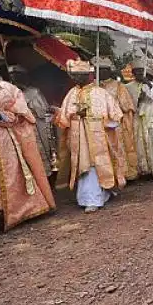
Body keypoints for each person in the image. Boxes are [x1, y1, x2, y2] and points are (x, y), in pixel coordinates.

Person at [55, 59, 125, 213]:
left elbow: (115, 116)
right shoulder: (71, 93)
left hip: (97, 137)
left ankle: (95, 198)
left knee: (95, 166)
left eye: (80, 75)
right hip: (78, 137)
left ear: (89, 75)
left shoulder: (100, 92)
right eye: (75, 76)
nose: (77, 79)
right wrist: (74, 115)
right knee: (82, 166)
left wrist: (94, 117)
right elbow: (63, 118)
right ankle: (87, 197)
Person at [0, 80, 56, 230]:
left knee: (11, 176)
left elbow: (22, 115)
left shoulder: (4, 88)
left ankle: (14, 211)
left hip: (3, 141)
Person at [8, 65, 57, 180]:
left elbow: (43, 112)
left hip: (37, 129)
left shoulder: (34, 92)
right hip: (17, 130)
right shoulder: (8, 94)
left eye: (18, 76)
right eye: (13, 77)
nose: (15, 79)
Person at [97, 57, 138, 181]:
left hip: (114, 125)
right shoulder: (92, 87)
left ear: (110, 71)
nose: (102, 72)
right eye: (100, 69)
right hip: (97, 124)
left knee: (117, 149)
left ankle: (121, 174)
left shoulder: (118, 86)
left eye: (105, 69)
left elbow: (127, 106)